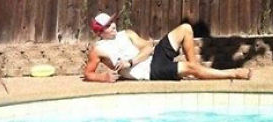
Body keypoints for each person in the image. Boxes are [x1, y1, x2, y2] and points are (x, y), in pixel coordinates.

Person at [83, 12, 252, 82]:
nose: (113, 26)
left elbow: (149, 46)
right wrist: (103, 77)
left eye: (112, 22)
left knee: (185, 28)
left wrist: (130, 61)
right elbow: (88, 73)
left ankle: (196, 69)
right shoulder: (98, 49)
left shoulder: (126, 33)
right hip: (150, 72)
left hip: (153, 58)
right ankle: (233, 73)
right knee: (189, 67)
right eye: (108, 26)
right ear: (100, 32)